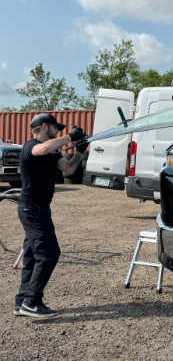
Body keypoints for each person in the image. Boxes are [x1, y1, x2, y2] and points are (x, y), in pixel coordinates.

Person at [14, 113, 88, 318]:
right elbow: (44, 148)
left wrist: (80, 151)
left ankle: (22, 302)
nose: (59, 132)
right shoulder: (31, 146)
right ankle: (32, 302)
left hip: (40, 208)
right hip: (31, 208)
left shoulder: (52, 153)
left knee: (31, 256)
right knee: (49, 253)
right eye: (57, 128)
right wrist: (71, 138)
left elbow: (69, 169)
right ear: (45, 127)